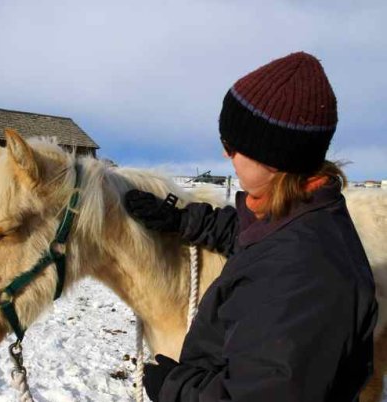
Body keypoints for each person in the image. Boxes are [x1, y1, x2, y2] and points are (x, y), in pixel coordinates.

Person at [124, 52, 378, 402]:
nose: (226, 154)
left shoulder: (304, 276)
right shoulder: (300, 214)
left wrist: (175, 388)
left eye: (233, 145)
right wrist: (182, 220)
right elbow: (255, 238)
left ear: (273, 157)